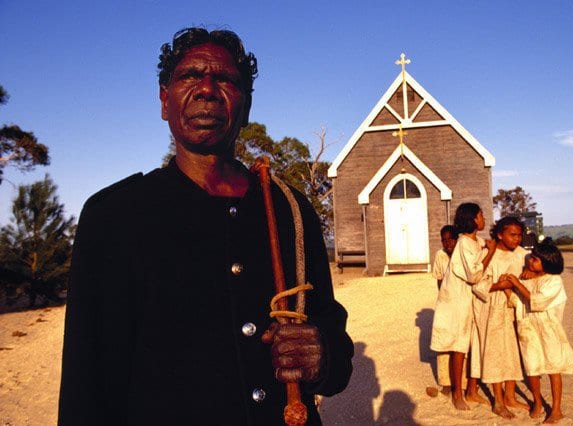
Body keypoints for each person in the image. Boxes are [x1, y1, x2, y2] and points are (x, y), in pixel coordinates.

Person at [58, 27, 353, 425]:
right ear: (165, 100)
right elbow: (86, 383)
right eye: (190, 76)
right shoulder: (114, 217)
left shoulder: (289, 209)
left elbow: (332, 337)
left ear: (245, 106)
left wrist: (322, 356)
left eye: (226, 79)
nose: (207, 89)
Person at [502, 239, 573, 423]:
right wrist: (509, 288)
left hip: (549, 330)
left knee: (553, 367)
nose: (530, 261)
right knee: (532, 367)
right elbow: (519, 302)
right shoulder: (527, 278)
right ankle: (537, 401)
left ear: (547, 263)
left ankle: (557, 408)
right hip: (528, 327)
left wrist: (517, 284)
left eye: (535, 259)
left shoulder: (554, 281)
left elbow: (538, 301)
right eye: (531, 258)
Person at [430, 202, 496, 410]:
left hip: (467, 301)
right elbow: (475, 275)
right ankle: (457, 394)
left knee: (470, 344)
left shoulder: (473, 241)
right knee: (458, 348)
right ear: (472, 220)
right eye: (480, 214)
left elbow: (479, 250)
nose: (483, 218)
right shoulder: (463, 244)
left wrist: (486, 245)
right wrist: (491, 251)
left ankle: (472, 391)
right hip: (456, 303)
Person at [471, 217, 529, 418]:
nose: (517, 239)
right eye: (512, 235)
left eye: (519, 235)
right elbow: (476, 283)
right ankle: (498, 400)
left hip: (515, 308)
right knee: (496, 352)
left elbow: (531, 279)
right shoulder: (489, 254)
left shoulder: (523, 255)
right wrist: (498, 286)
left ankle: (510, 396)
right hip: (493, 308)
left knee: (513, 352)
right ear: (499, 234)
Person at [430, 225, 458, 396]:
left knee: (461, 344)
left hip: (462, 302)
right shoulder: (440, 255)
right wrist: (443, 300)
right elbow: (439, 279)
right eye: (444, 240)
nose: (447, 243)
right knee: (443, 342)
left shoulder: (462, 254)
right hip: (446, 303)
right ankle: (446, 381)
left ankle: (462, 382)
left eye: (450, 239)